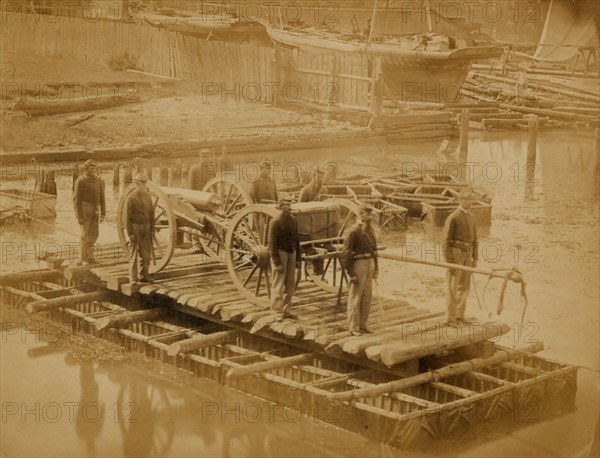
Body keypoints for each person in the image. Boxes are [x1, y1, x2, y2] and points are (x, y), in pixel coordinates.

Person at [443, 189, 479, 325]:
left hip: (467, 254)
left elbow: (475, 239)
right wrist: (449, 260)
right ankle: (450, 318)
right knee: (453, 287)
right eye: (466, 200)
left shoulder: (472, 217)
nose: (469, 203)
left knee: (465, 287)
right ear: (460, 201)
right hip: (455, 253)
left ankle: (460, 315)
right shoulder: (453, 217)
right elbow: (446, 240)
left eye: (470, 200)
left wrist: (475, 257)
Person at [342, 203, 378, 336]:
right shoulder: (353, 231)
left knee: (367, 296)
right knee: (356, 297)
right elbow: (345, 254)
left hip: (369, 263)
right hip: (358, 264)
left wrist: (376, 269)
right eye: (364, 214)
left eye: (368, 214)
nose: (366, 216)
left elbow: (374, 251)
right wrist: (351, 273)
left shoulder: (370, 230)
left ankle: (363, 324)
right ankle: (354, 327)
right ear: (359, 214)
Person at [269, 194, 301, 321]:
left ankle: (286, 310)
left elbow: (297, 240)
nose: (288, 207)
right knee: (278, 283)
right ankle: (276, 311)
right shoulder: (275, 221)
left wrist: (298, 257)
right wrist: (276, 261)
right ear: (280, 206)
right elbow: (272, 243)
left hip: (292, 253)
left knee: (290, 284)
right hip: (281, 253)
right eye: (286, 205)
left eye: (289, 204)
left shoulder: (293, 220)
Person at [73, 160, 105, 265]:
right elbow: (76, 200)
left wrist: (103, 212)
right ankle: (82, 258)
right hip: (85, 209)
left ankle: (90, 257)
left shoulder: (99, 181)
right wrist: (79, 216)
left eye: (94, 168)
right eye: (91, 168)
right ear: (86, 169)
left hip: (96, 210)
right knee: (84, 235)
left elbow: (102, 197)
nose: (93, 170)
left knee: (94, 234)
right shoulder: (80, 181)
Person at [126, 172, 155, 284]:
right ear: (137, 184)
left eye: (145, 182)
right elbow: (127, 218)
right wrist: (130, 233)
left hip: (146, 227)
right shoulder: (131, 198)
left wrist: (152, 229)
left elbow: (151, 213)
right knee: (133, 253)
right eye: (142, 183)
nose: (144, 185)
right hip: (135, 227)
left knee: (146, 253)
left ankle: (144, 275)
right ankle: (133, 278)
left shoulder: (147, 196)